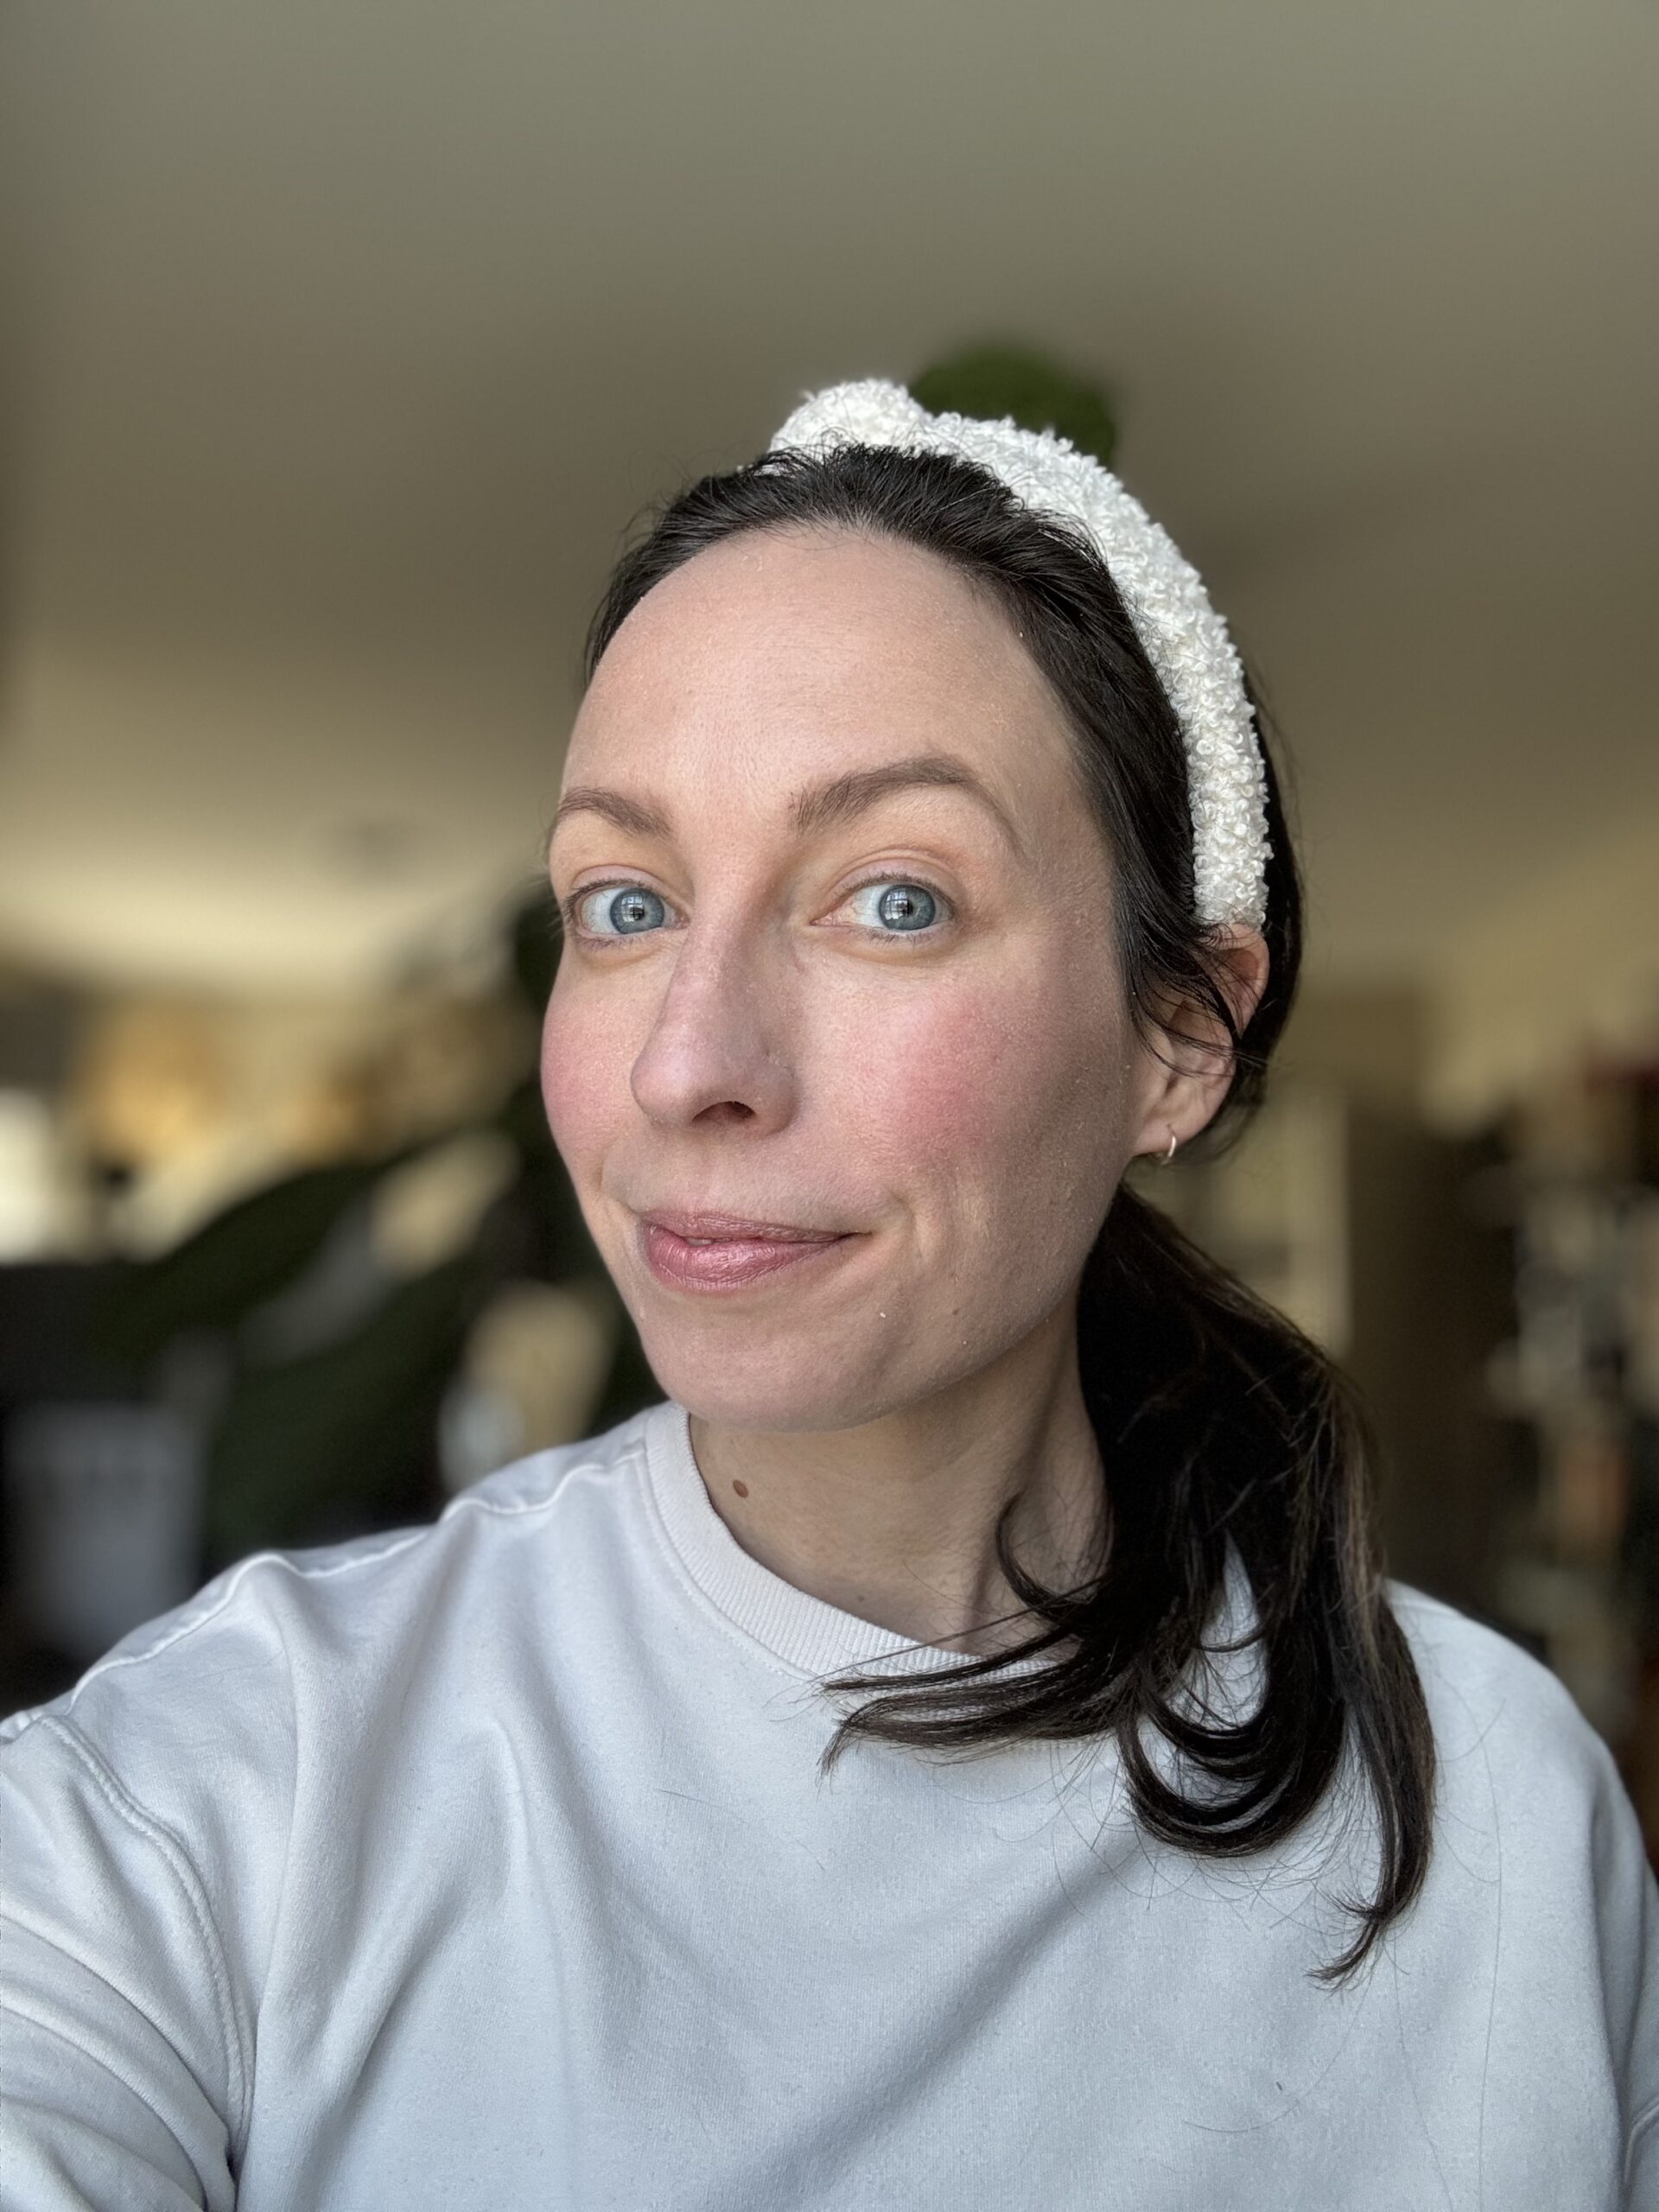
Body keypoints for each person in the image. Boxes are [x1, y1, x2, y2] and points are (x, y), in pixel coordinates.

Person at [3, 379, 1655, 2210]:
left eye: (890, 899)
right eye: (622, 904)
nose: (689, 1063)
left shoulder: (1497, 1805)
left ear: (1179, 1033)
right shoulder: (227, 1787)